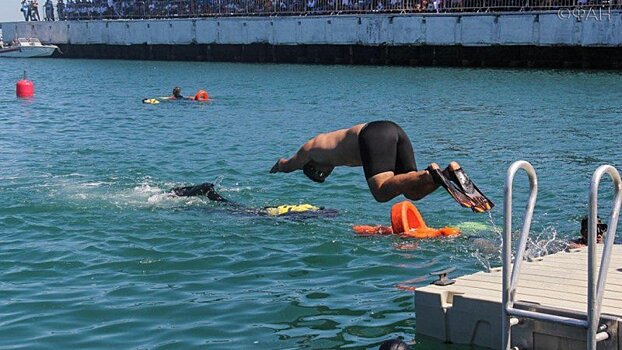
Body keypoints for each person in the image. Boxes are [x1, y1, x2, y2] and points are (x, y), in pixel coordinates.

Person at [270, 120, 493, 212]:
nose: (322, 174)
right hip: (393, 129)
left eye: (318, 172)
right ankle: (443, 173)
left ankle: (430, 173)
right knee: (411, 192)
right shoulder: (329, 151)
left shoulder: (309, 150)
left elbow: (288, 164)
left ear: (312, 164)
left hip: (373, 136)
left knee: (381, 192)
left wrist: (277, 168)